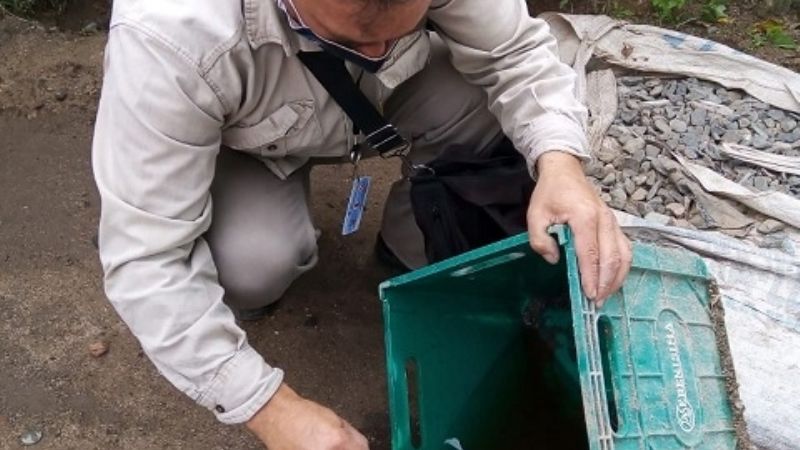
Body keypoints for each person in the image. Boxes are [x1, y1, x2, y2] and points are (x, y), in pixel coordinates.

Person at [92, 0, 632, 447]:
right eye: (352, 38)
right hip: (247, 138)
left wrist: (562, 166)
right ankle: (252, 246)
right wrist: (268, 408)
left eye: (397, 31)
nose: (376, 56)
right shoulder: (169, 36)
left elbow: (517, 52)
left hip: (380, 109)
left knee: (486, 106)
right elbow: (147, 259)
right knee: (252, 264)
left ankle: (409, 249)